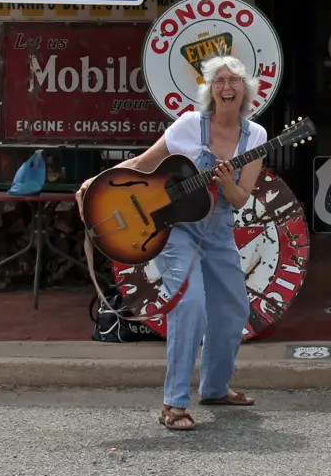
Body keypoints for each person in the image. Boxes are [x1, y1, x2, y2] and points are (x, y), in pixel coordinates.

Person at [112, 55, 267, 432]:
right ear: (210, 90)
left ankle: (214, 388)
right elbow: (145, 163)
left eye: (233, 81)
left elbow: (239, 198)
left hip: (217, 230)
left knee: (234, 309)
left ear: (245, 91)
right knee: (190, 304)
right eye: (219, 81)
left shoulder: (256, 137)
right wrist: (100, 181)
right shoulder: (186, 125)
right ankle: (174, 403)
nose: (226, 87)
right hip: (176, 229)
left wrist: (226, 180)